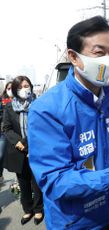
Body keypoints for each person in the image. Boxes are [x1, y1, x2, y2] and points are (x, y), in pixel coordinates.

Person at [27, 16, 109, 230]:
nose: (108, 61)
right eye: (99, 53)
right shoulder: (47, 109)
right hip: (75, 223)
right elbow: (54, 181)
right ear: (73, 56)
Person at [2, 76, 44, 226]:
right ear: (14, 90)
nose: (24, 89)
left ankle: (39, 209)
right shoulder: (9, 107)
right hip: (18, 151)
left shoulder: (39, 104)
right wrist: (18, 142)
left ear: (31, 87)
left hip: (36, 148)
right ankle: (28, 209)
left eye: (27, 86)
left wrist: (25, 143)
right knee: (23, 181)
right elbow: (6, 128)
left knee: (36, 181)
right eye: (20, 87)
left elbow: (41, 126)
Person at [0, 81, 13, 183]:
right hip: (4, 131)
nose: (10, 90)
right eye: (8, 88)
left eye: (12, 88)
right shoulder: (2, 100)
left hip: (16, 132)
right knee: (1, 154)